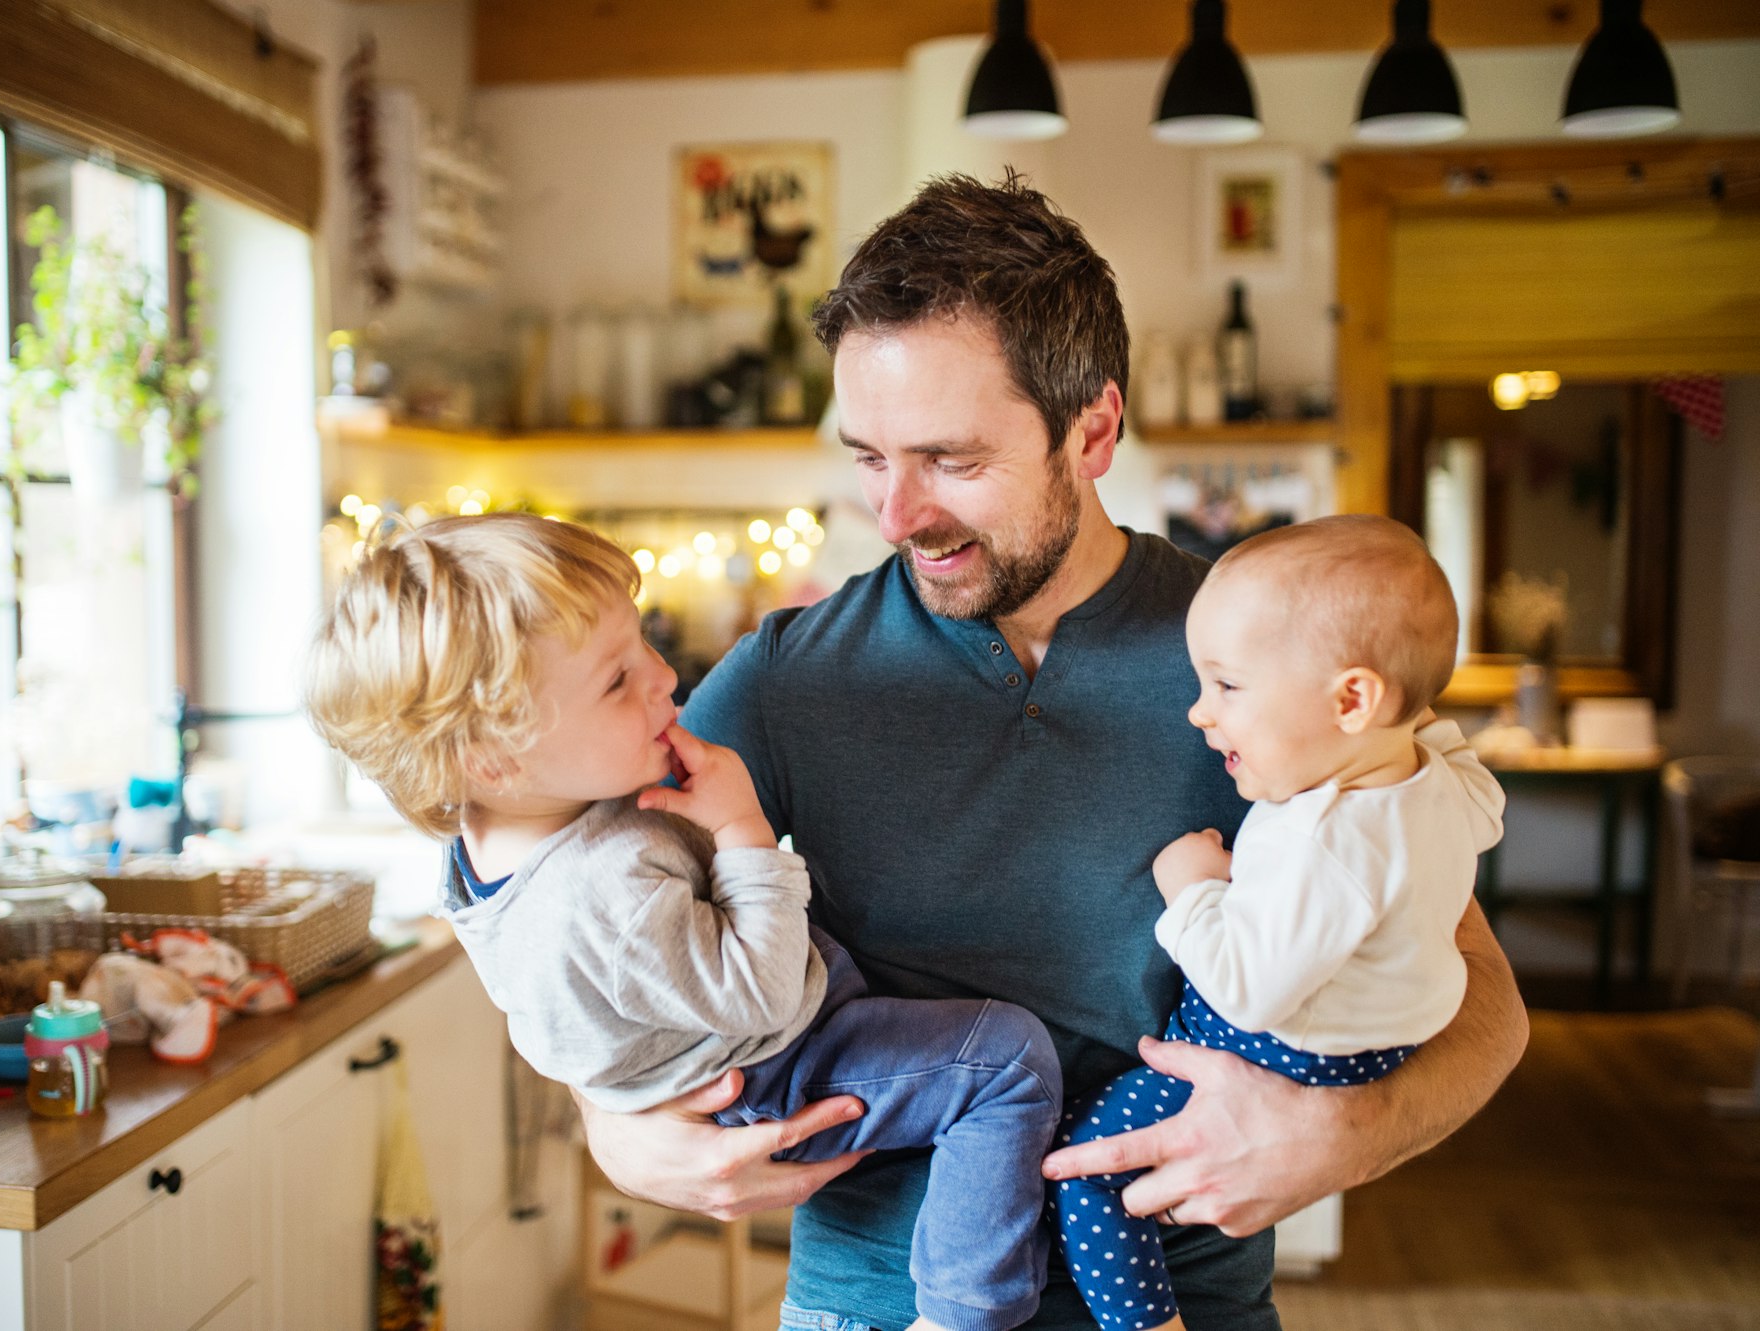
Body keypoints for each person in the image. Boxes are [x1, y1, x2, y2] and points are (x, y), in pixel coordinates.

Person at [577, 172, 1531, 1331]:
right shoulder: (787, 676)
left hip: (1191, 1301)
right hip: (874, 1305)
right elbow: (580, 909)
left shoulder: (1273, 652)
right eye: (869, 457)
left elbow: (1483, 997)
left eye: (950, 459)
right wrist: (614, 1127)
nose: (895, 514)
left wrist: (1348, 1133)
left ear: (1092, 429)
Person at [304, 512, 1065, 1331]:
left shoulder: (503, 836)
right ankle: (963, 1309)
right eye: (615, 679)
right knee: (1006, 1061)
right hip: (776, 1066)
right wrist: (741, 826)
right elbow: (764, 993)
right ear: (492, 757)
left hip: (740, 1061)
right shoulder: (604, 889)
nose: (664, 676)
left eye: (642, 643)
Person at [1051, 516, 1506, 1331]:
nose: (1200, 713)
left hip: (1278, 1046)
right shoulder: (1433, 782)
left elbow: (1246, 988)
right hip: (1380, 1040)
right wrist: (1407, 714)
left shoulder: (1322, 840)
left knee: (1086, 1165)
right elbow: (1481, 794)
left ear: (1352, 699)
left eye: (1227, 686)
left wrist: (1192, 887)